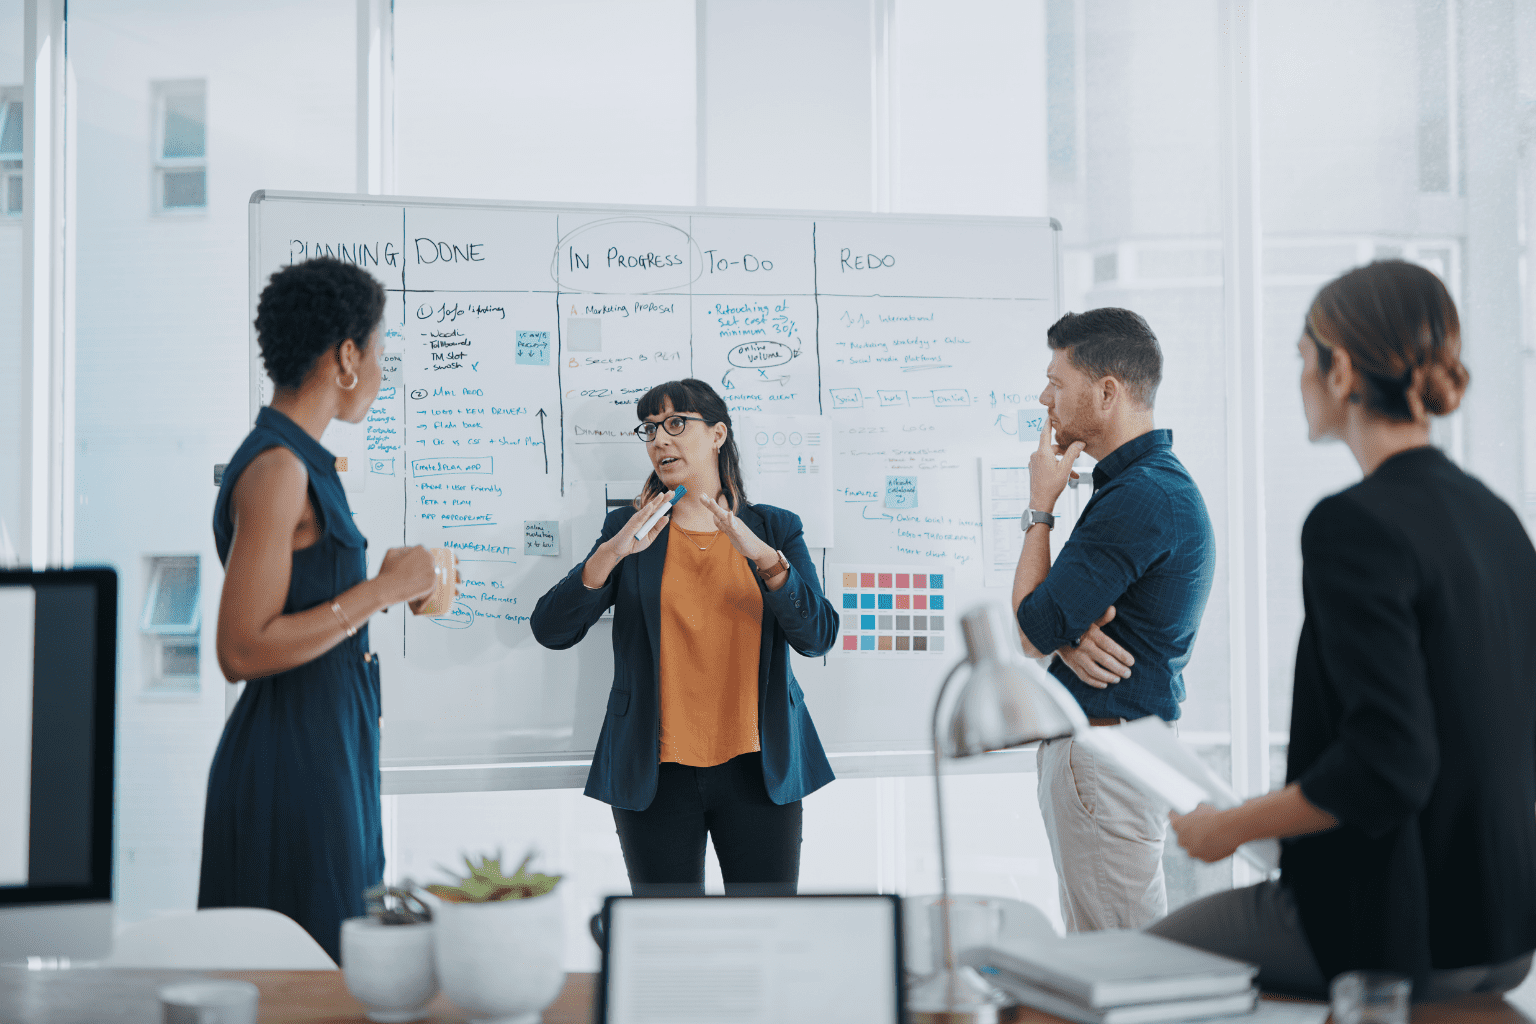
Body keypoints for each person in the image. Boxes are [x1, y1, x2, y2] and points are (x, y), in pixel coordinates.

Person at [1151, 260, 1536, 1000]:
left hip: (1390, 930)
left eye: (1303, 358)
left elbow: (1388, 763)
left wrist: (1228, 829)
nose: (1298, 379)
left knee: (1128, 969)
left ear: (1342, 371)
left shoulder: (1352, 525)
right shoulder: (1497, 520)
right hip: (1504, 932)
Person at [199, 257, 450, 963]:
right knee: (311, 973)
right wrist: (383, 589)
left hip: (331, 747)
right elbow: (241, 649)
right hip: (294, 760)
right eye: (379, 350)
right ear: (346, 354)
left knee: (337, 963)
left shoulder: (302, 462)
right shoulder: (278, 468)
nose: (380, 368)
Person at [531, 378, 839, 897]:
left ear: (718, 434)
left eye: (676, 424)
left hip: (759, 767)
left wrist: (765, 560)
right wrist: (609, 555)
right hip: (655, 772)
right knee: (664, 935)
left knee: (766, 928)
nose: (659, 440)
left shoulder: (775, 528)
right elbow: (551, 629)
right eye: (650, 429)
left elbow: (817, 637)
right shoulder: (630, 528)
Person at [1012, 308, 1217, 932]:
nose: (1045, 397)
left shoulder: (1142, 496)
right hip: (1111, 751)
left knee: (1123, 961)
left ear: (1107, 391)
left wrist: (1039, 509)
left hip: (1107, 754)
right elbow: (1050, 627)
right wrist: (1065, 634)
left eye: (1057, 381)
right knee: (1106, 949)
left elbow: (1030, 627)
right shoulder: (1139, 486)